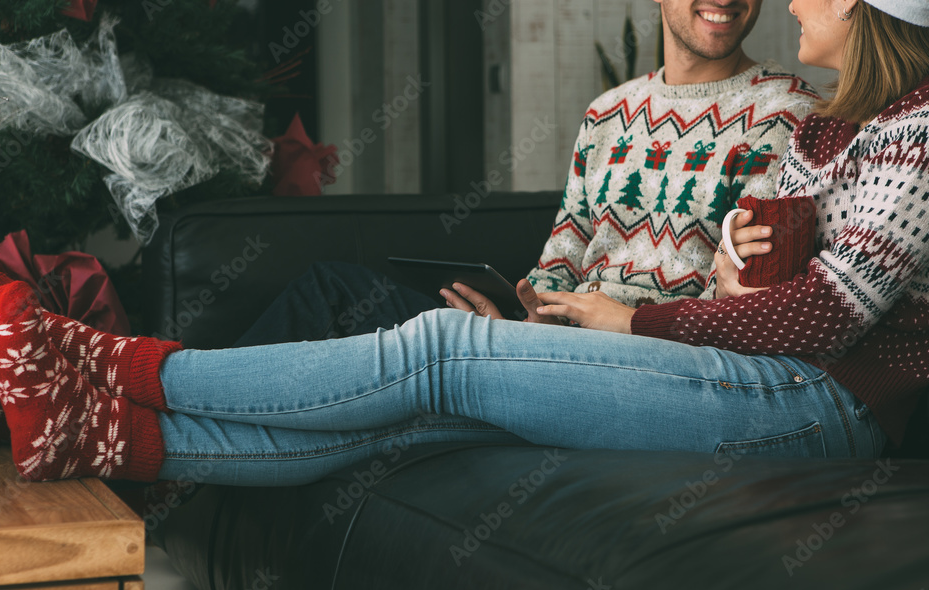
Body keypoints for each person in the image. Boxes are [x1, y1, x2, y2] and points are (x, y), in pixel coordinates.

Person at [0, 0, 929, 486]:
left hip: (821, 402)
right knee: (414, 411)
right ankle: (101, 434)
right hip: (703, 353)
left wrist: (645, 315)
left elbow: (824, 307)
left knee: (435, 353)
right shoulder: (832, 125)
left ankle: (109, 361)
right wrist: (547, 301)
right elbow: (775, 281)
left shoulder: (880, 121)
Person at [234, 0, 818, 345]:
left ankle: (162, 433)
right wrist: (518, 309)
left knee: (407, 343)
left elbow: (745, 300)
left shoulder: (786, 112)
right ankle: (171, 427)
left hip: (636, 351)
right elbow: (563, 255)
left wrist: (623, 321)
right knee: (329, 291)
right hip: (551, 337)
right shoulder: (608, 112)